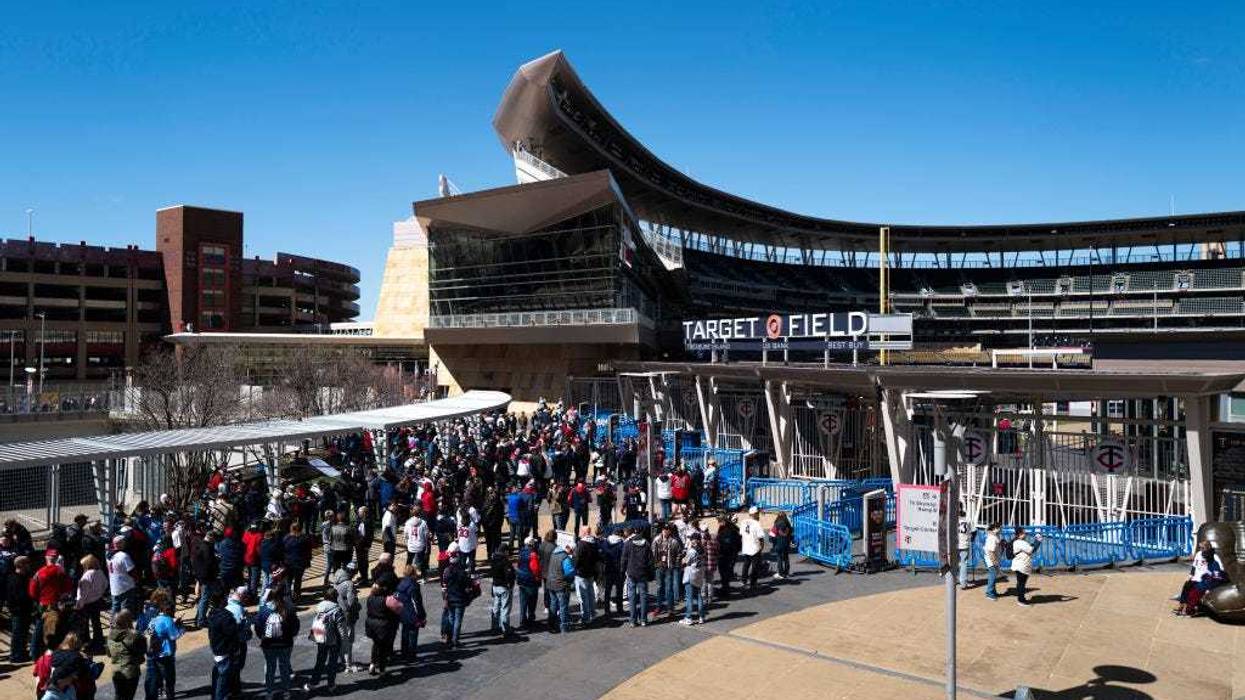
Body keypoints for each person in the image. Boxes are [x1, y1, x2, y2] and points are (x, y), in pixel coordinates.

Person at [304, 588, 349, 695]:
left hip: (320, 637)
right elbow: (341, 629)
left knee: (320, 661)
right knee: (332, 663)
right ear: (335, 597)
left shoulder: (319, 607)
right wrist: (344, 643)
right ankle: (331, 685)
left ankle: (313, 683)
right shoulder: (337, 610)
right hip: (333, 640)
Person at [255, 595, 299, 700]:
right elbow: (295, 627)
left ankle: (269, 692)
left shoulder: (263, 611)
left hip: (268, 645)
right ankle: (286, 691)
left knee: (270, 668)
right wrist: (289, 636)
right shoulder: (288, 609)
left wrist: (262, 637)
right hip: (285, 644)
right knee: (284, 668)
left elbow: (258, 627)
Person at [1175, 539, 1228, 616]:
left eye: (1202, 548)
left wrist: (1209, 587)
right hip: (1196, 577)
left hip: (1204, 578)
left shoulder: (1214, 557)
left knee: (1194, 590)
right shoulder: (1199, 554)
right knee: (1186, 585)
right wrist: (1191, 575)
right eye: (1200, 548)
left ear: (1207, 548)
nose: (1200, 550)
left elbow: (1220, 571)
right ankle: (1182, 605)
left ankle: (1189, 609)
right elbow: (1194, 566)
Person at [144, 593, 181, 700]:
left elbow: (148, 633)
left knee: (158, 676)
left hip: (155, 653)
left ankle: (159, 691)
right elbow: (174, 636)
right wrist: (181, 627)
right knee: (169, 678)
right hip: (166, 653)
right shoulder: (168, 620)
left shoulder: (153, 620)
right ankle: (170, 695)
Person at [205, 591, 239, 700]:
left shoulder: (212, 614)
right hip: (225, 652)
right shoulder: (225, 617)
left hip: (217, 651)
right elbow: (233, 633)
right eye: (224, 598)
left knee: (217, 680)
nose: (226, 600)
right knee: (222, 683)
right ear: (220, 601)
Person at [107, 609, 146, 700]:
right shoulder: (134, 636)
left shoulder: (110, 635)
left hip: (116, 671)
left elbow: (109, 654)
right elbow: (142, 650)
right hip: (131, 672)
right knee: (128, 697)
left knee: (118, 695)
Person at [330, 566, 362, 672]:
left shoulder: (336, 579)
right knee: (348, 640)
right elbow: (351, 602)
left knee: (340, 638)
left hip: (337, 612)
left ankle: (342, 662)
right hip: (347, 615)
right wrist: (358, 605)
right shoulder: (349, 584)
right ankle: (348, 664)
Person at [620, 526, 653, 627]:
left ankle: (633, 620)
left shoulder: (628, 544)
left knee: (632, 597)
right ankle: (643, 619)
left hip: (631, 573)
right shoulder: (646, 544)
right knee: (643, 597)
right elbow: (650, 561)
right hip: (642, 573)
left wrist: (622, 571)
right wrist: (649, 573)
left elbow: (624, 559)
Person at [363, 583, 399, 675]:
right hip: (382, 625)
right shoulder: (385, 600)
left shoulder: (369, 599)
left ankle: (372, 664)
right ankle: (382, 669)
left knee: (375, 644)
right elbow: (398, 608)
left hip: (371, 624)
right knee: (383, 648)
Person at [75, 554, 107, 652]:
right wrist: (100, 594)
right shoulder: (100, 572)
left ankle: (86, 643)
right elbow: (105, 584)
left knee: (84, 624)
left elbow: (83, 591)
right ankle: (99, 641)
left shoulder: (88, 574)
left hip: (86, 603)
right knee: (96, 622)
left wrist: (79, 603)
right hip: (96, 600)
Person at [443, 547, 475, 646]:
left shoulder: (447, 571)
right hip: (460, 598)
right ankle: (455, 640)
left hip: (450, 598)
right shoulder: (461, 573)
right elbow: (468, 584)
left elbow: (444, 584)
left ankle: (450, 637)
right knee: (458, 620)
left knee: (451, 618)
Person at [395, 565, 427, 658]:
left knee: (405, 632)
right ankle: (412, 653)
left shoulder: (401, 583)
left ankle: (404, 652)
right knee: (413, 633)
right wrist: (421, 616)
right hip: (412, 613)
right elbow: (416, 603)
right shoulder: (414, 585)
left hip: (402, 612)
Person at [652, 523, 683, 619]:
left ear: (670, 531)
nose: (665, 531)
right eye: (664, 529)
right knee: (659, 588)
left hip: (669, 568)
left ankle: (670, 609)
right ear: (662, 530)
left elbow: (679, 553)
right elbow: (652, 553)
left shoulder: (674, 541)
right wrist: (655, 564)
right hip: (659, 567)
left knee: (669, 589)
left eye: (667, 529)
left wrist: (675, 563)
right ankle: (659, 607)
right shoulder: (656, 540)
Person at [8, 555, 35, 663]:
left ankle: (22, 653)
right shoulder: (13, 578)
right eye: (26, 563)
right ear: (21, 565)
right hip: (18, 610)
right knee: (18, 633)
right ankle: (15, 655)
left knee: (23, 633)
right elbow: (15, 597)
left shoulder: (26, 576)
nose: (29, 565)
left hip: (26, 609)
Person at [191, 531, 219, 628]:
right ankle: (201, 620)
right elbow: (209, 563)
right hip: (207, 577)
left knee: (203, 598)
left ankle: (199, 617)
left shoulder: (200, 545)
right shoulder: (207, 548)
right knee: (205, 599)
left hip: (201, 576)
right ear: (211, 538)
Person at [515, 536, 542, 630]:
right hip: (531, 581)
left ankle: (522, 619)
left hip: (521, 579)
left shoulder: (521, 552)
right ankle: (531, 619)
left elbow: (518, 565)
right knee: (532, 601)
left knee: (523, 601)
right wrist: (538, 577)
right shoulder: (533, 554)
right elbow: (535, 569)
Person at [597, 525, 625, 616]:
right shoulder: (622, 543)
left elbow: (601, 554)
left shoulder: (605, 542)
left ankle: (607, 610)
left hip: (608, 568)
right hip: (619, 570)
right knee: (619, 590)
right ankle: (619, 609)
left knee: (607, 591)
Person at [545, 542, 573, 633]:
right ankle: (564, 626)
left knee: (553, 605)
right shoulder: (565, 557)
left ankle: (551, 624)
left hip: (551, 583)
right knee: (563, 606)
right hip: (561, 584)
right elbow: (569, 572)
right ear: (568, 548)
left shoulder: (553, 554)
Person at [1010, 527, 1042, 607]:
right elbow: (1031, 550)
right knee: (1021, 583)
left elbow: (1029, 548)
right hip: (1022, 565)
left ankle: (1021, 598)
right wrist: (1038, 541)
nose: (1026, 534)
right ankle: (1021, 600)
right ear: (1020, 534)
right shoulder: (1020, 542)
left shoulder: (1017, 542)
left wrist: (1035, 542)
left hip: (1019, 565)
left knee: (1020, 583)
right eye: (1024, 533)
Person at [739, 507, 768, 592]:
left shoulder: (743, 522)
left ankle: (743, 580)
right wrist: (761, 546)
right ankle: (753, 583)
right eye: (757, 514)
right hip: (754, 547)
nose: (758, 515)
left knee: (746, 564)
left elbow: (741, 534)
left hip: (746, 546)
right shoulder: (756, 524)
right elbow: (760, 537)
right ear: (755, 514)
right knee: (755, 566)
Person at [489, 544, 516, 636]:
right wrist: (510, 583)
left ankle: (495, 627)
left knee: (496, 608)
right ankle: (505, 629)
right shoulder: (505, 562)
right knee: (505, 609)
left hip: (495, 586)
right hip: (504, 587)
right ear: (505, 551)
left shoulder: (493, 560)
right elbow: (509, 575)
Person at [680, 532, 706, 625]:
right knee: (699, 596)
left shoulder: (692, 551)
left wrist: (683, 558)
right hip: (699, 575)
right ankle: (701, 616)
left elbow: (684, 561)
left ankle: (688, 617)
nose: (691, 540)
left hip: (690, 575)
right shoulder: (703, 550)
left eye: (692, 539)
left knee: (689, 597)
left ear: (695, 540)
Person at [403, 506, 430, 574]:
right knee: (421, 561)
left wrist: (408, 542)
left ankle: (407, 574)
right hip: (420, 546)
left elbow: (406, 535)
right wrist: (426, 546)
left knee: (409, 561)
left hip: (411, 546)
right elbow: (426, 535)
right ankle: (423, 576)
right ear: (420, 513)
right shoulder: (423, 523)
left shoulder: (408, 522)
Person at [354, 507, 374, 588]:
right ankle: (362, 577)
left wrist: (368, 545)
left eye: (360, 512)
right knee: (360, 562)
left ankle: (365, 579)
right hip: (358, 545)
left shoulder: (368, 522)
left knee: (364, 563)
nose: (358, 514)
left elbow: (370, 535)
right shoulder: (359, 521)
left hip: (364, 546)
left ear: (364, 513)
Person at [982, 522, 1002, 601]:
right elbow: (990, 551)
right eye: (999, 528)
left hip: (993, 559)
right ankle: (989, 593)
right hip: (991, 560)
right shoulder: (992, 537)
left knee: (993, 575)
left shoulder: (994, 536)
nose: (1000, 529)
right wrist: (994, 561)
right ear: (995, 528)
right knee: (992, 576)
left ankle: (992, 592)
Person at [770, 513, 792, 580]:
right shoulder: (788, 524)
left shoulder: (777, 523)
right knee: (786, 558)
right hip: (786, 543)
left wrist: (773, 543)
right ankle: (786, 572)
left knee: (779, 558)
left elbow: (772, 534)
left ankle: (780, 573)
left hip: (779, 542)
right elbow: (791, 534)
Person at [956, 508, 973, 589]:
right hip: (964, 543)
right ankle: (963, 583)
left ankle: (953, 580)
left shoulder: (953, 520)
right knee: (963, 563)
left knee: (953, 563)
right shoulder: (968, 521)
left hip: (955, 544)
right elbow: (972, 532)